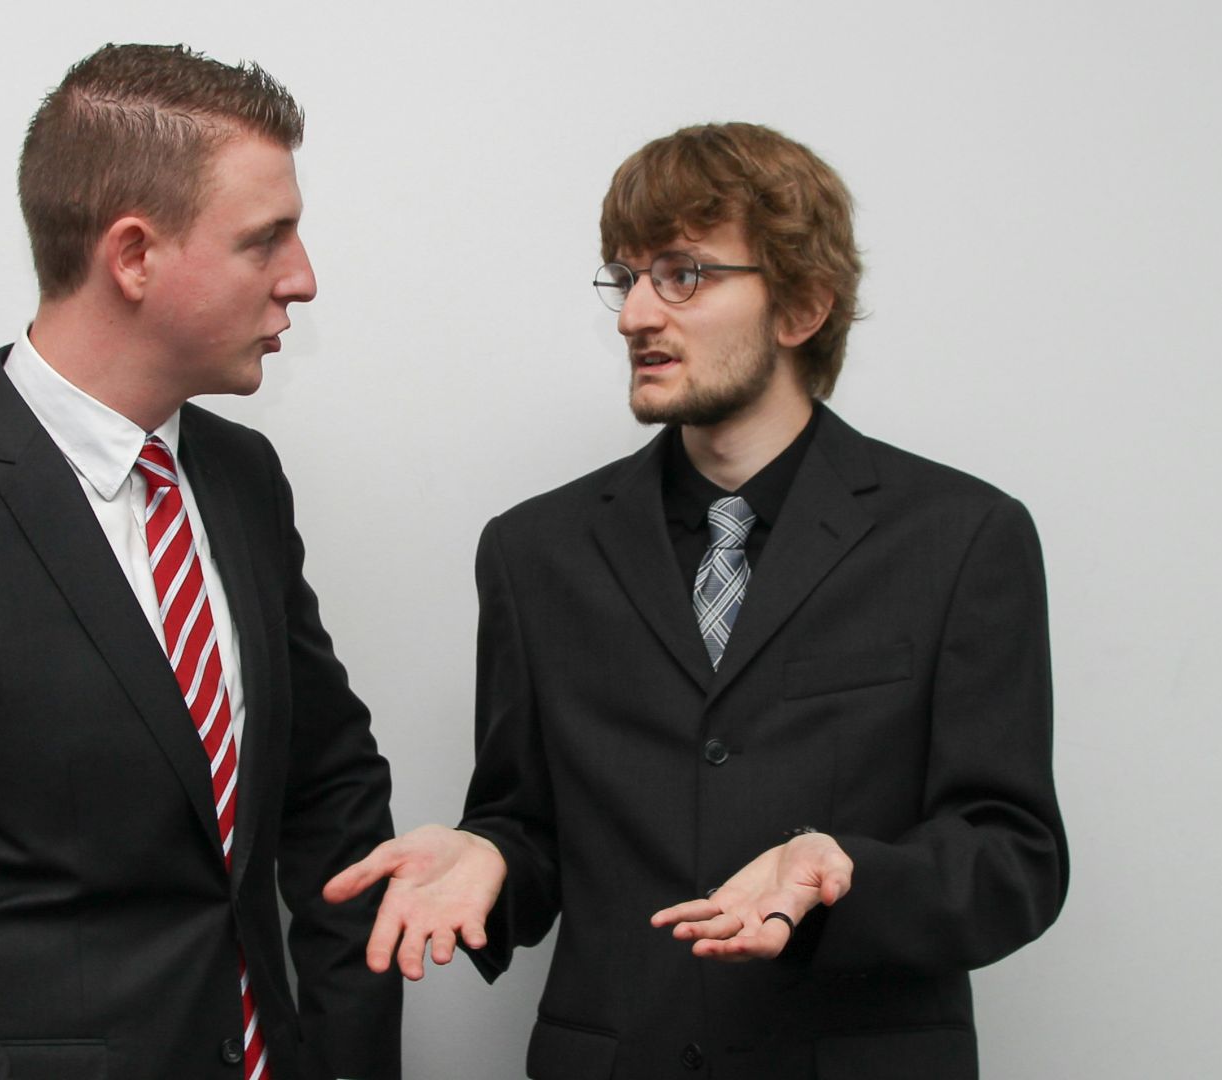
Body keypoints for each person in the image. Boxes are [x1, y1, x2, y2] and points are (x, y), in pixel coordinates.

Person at [326, 122, 1066, 1078]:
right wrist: (491, 856)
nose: (635, 314)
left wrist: (844, 872)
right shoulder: (533, 553)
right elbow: (529, 823)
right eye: (624, 276)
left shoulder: (961, 538)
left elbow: (1014, 858)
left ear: (800, 305)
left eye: (682, 274)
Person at [0, 44, 399, 1080]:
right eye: (265, 239)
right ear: (135, 255)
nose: (303, 278)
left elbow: (329, 792)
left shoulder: (241, 479)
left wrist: (342, 1053)